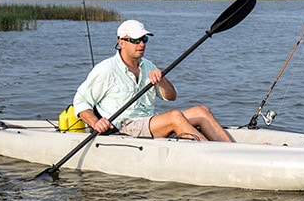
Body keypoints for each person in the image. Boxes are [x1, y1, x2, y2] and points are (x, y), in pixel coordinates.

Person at [73, 20, 232, 142]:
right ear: (121, 42)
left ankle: (231, 150)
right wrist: (95, 122)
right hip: (125, 127)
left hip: (148, 122)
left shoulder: (148, 65)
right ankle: (213, 155)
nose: (141, 44)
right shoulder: (106, 69)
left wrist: (162, 81)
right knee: (175, 116)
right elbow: (81, 101)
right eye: (135, 40)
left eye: (144, 39)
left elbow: (171, 97)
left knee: (201, 111)